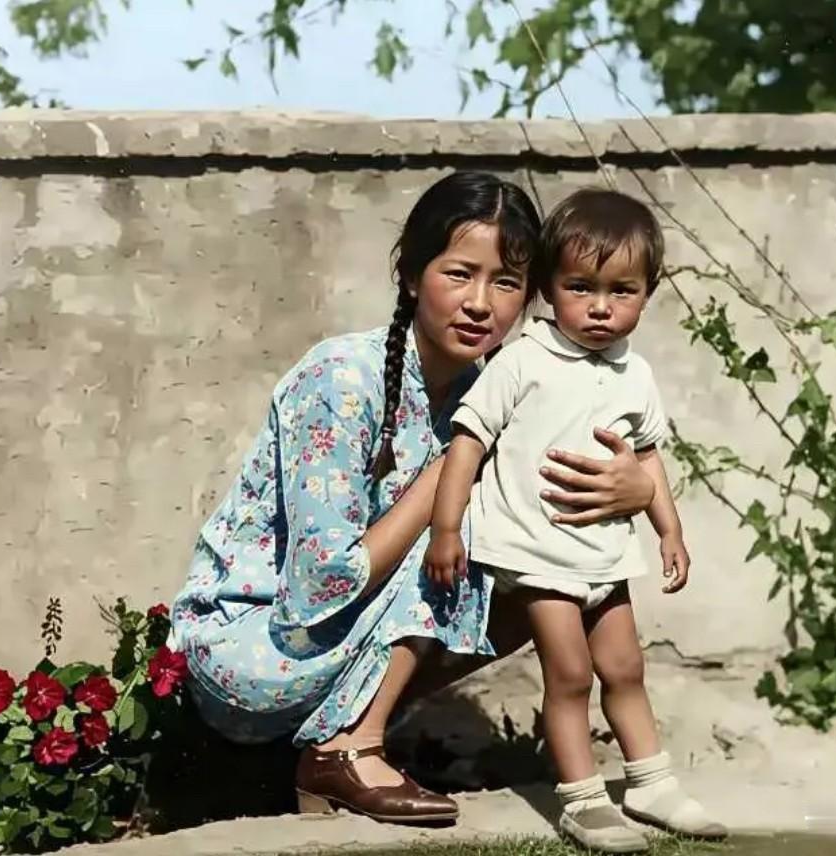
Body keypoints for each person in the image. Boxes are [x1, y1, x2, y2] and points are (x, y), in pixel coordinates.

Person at [169, 172, 658, 825]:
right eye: (459, 274)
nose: (480, 303)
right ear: (410, 274)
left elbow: (552, 507)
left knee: (538, 568)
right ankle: (348, 749)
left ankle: (333, 741)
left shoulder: (493, 387)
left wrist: (640, 485)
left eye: (505, 283)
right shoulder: (343, 378)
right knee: (459, 526)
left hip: (331, 640)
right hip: (255, 647)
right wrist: (440, 485)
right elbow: (319, 585)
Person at [424, 187, 728, 852]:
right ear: (547, 287)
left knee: (626, 667)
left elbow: (646, 457)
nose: (599, 307)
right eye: (579, 287)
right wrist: (447, 529)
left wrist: (668, 530)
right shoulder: (522, 360)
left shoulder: (634, 373)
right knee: (571, 674)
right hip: (538, 553)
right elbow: (468, 443)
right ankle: (583, 800)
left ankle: (651, 782)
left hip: (605, 556)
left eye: (621, 291)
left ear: (648, 293)